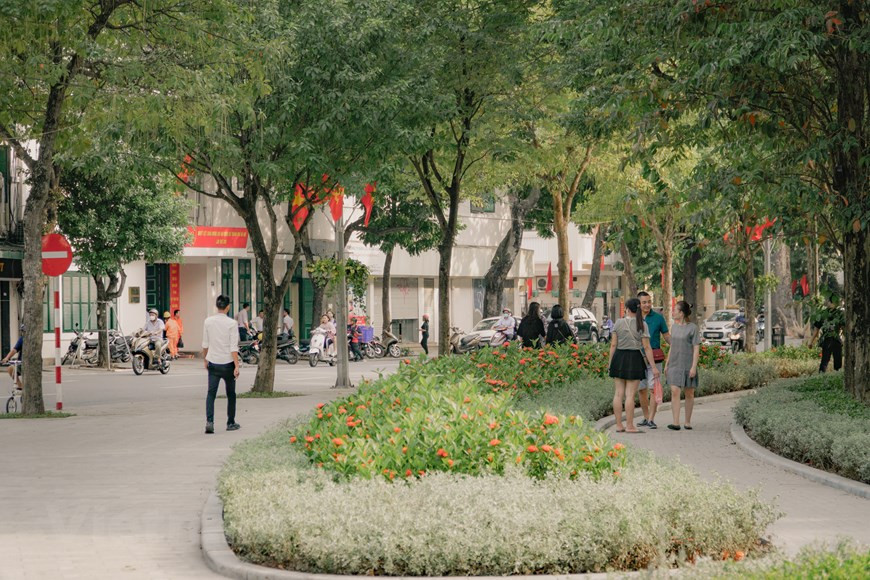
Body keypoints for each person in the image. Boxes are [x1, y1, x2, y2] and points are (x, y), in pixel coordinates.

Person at [609, 298, 659, 433]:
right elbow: (647, 347)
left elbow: (613, 344)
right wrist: (653, 367)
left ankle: (619, 425)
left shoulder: (618, 323)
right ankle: (630, 425)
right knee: (630, 395)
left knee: (618, 394)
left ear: (626, 308)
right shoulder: (642, 324)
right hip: (634, 358)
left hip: (619, 358)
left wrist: (610, 362)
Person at [202, 294, 241, 434]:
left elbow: (205, 344)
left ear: (216, 306)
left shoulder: (208, 321)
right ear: (228, 307)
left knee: (211, 394)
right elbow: (233, 347)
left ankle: (209, 422)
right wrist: (236, 366)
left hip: (213, 362)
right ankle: (230, 422)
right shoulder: (232, 323)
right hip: (228, 364)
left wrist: (205, 360)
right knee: (231, 394)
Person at [636, 291, 670, 430]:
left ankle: (651, 419)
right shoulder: (633, 318)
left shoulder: (658, 318)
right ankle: (645, 417)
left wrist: (677, 344)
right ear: (638, 304)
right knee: (641, 389)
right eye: (644, 302)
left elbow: (667, 336)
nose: (647, 305)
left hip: (655, 359)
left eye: (649, 302)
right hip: (637, 359)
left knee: (653, 389)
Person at [665, 301, 700, 430]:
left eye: (675, 310)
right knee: (674, 391)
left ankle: (687, 421)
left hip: (687, 364)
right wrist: (667, 363)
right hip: (674, 363)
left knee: (689, 393)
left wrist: (694, 367)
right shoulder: (674, 327)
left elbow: (696, 348)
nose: (673, 312)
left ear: (681, 313)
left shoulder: (693, 328)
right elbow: (672, 346)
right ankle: (675, 422)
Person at [810, 296, 845, 372]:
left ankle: (836, 377)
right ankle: (822, 376)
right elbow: (816, 328)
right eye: (830, 302)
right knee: (824, 361)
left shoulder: (840, 314)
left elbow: (843, 328)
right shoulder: (823, 314)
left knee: (837, 362)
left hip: (836, 340)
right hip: (827, 340)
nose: (830, 304)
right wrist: (810, 341)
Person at [2, 324, 24, 390]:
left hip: (31, 365)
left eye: (23, 331)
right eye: (22, 331)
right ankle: (20, 385)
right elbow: (14, 350)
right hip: (21, 363)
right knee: (10, 368)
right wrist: (7, 358)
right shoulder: (22, 339)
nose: (22, 332)